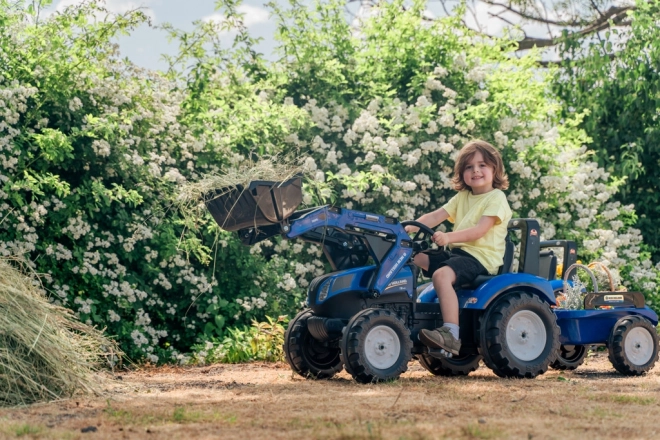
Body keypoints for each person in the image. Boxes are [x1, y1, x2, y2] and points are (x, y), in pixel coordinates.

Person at [405, 140, 512, 356]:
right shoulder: (463, 197)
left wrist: (447, 236)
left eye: (482, 165)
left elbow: (479, 231)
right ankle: (405, 312)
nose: (476, 171)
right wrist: (407, 228)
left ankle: (451, 335)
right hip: (457, 256)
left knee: (441, 275)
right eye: (469, 167)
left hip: (480, 259)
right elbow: (435, 216)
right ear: (462, 172)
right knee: (412, 258)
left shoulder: (496, 198)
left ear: (494, 169)